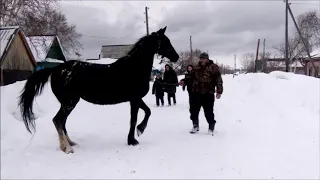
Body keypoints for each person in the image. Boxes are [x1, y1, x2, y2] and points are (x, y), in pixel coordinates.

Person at [179, 52, 223, 135]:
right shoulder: (196, 67)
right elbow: (189, 77)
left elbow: (218, 79)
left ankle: (211, 127)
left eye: (203, 58)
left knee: (208, 112)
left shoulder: (213, 67)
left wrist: (219, 91)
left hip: (208, 93)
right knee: (193, 110)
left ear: (207, 59)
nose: (201, 60)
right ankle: (195, 126)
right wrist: (183, 81)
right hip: (196, 92)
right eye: (200, 58)